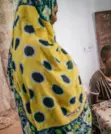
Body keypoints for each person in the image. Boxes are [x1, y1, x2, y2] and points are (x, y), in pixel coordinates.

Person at [7, 0, 91, 133]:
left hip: (34, 116)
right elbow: (57, 84)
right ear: (42, 10)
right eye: (54, 12)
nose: (55, 18)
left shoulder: (21, 41)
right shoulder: (36, 47)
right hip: (53, 122)